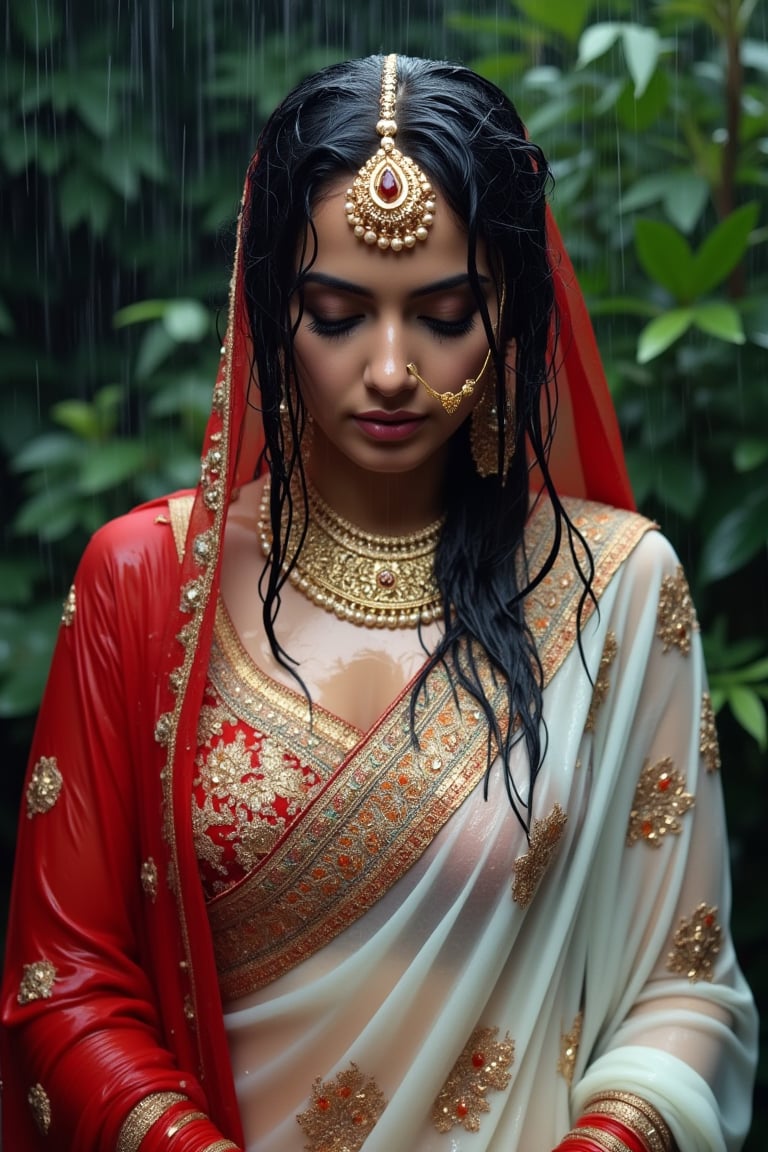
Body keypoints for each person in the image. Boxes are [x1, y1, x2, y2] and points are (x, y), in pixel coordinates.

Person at [0, 53, 757, 1152]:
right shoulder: (146, 582)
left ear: (511, 317)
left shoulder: (621, 589)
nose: (392, 368)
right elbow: (61, 982)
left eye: (445, 313)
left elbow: (685, 988)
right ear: (270, 311)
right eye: (338, 314)